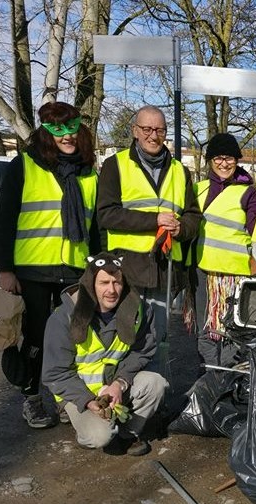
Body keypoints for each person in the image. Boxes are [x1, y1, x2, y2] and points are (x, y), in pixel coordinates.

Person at [0, 101, 100, 429]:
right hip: (33, 269)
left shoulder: (88, 171)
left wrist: (97, 267)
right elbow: (4, 220)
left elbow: (94, 226)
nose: (66, 136)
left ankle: (66, 398)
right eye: (57, 129)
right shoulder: (24, 165)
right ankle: (32, 398)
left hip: (75, 269)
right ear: (45, 131)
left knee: (74, 336)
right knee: (36, 337)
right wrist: (5, 270)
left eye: (72, 128)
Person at [42, 252, 168, 456]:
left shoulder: (138, 311)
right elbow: (55, 374)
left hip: (114, 386)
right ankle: (88, 429)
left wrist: (120, 383)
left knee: (156, 383)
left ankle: (127, 433)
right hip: (79, 393)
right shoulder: (63, 317)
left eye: (117, 282)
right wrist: (88, 400)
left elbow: (142, 352)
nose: (111, 290)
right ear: (91, 284)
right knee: (99, 437)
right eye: (104, 283)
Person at [97, 105, 201, 346]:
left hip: (165, 271)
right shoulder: (116, 165)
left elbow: (194, 217)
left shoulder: (179, 170)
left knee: (158, 340)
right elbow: (106, 215)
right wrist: (153, 221)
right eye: (146, 129)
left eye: (160, 130)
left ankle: (155, 384)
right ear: (135, 130)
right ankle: (120, 384)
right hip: (126, 269)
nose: (153, 136)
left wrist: (181, 229)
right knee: (123, 338)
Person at [193, 133, 256, 366]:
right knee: (205, 331)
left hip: (234, 277)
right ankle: (208, 379)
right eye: (219, 158)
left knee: (232, 332)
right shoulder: (198, 189)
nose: (224, 163)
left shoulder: (249, 193)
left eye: (230, 158)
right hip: (202, 274)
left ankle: (227, 379)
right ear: (210, 160)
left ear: (237, 160)